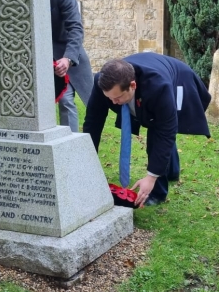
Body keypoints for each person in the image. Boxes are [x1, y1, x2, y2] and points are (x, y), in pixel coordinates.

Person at [83, 53, 211, 207]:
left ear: (132, 86)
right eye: (109, 98)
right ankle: (172, 171)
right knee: (159, 130)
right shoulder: (101, 82)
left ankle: (157, 192)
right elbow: (92, 122)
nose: (113, 103)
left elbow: (165, 131)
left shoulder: (158, 87)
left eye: (117, 98)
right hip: (150, 76)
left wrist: (151, 177)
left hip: (179, 79)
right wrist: (87, 161)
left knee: (158, 134)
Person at [50, 0, 93, 132]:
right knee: (60, 100)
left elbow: (75, 27)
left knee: (70, 100)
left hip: (67, 51)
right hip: (41, 56)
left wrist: (68, 58)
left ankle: (72, 142)